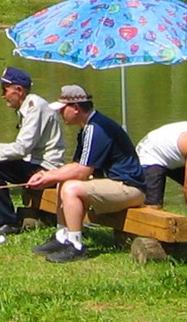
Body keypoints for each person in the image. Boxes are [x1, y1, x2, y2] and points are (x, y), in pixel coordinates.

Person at [25, 85, 145, 263]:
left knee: (71, 188)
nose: (60, 114)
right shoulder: (88, 127)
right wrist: (47, 174)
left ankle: (76, 246)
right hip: (114, 183)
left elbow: (82, 171)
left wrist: (49, 176)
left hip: (129, 188)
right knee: (63, 182)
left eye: (63, 109)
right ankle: (62, 236)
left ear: (76, 108)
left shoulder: (96, 128)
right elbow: (76, 166)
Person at [0, 67, 66, 238]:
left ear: (18, 90)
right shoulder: (29, 106)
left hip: (45, 169)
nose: (2, 95)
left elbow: (23, 149)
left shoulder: (35, 107)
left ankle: (5, 221)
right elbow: (25, 145)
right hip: (33, 163)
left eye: (4, 90)